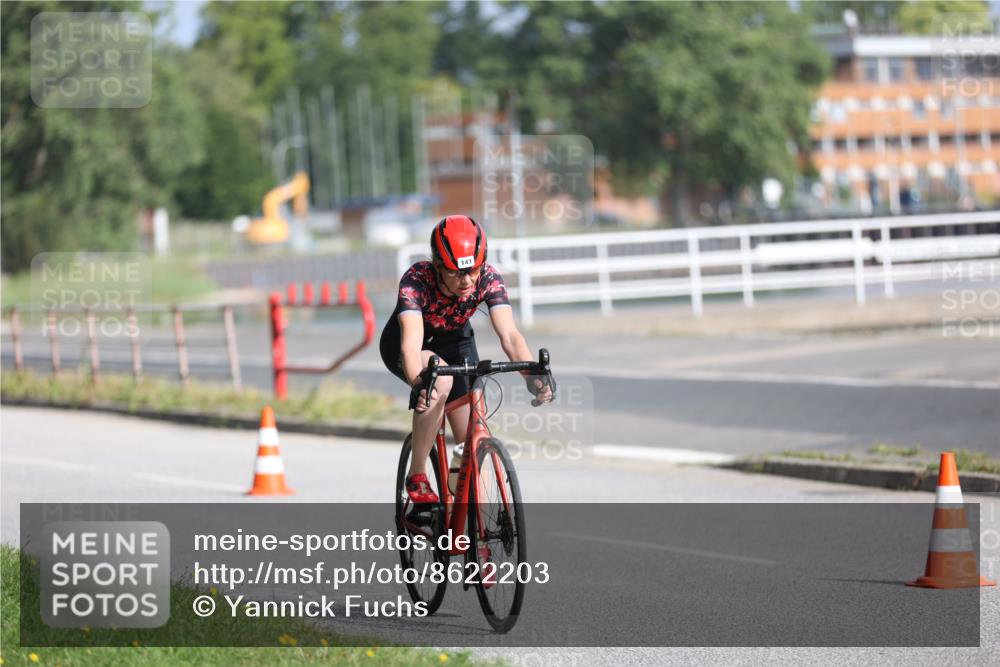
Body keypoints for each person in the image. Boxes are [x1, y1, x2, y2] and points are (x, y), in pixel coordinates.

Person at [380, 215, 553, 504]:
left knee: (471, 440)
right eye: (455, 273)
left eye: (472, 271)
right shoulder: (416, 281)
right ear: (437, 266)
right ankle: (418, 476)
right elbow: (411, 347)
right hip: (410, 343)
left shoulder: (487, 278)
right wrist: (419, 384)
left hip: (455, 342)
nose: (466, 281)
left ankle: (475, 531)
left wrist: (532, 376)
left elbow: (510, 336)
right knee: (440, 382)